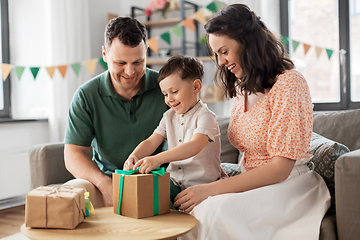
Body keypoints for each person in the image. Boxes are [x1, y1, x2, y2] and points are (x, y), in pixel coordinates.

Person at [174, 4, 331, 240]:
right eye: (216, 54)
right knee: (191, 212)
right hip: (254, 186)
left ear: (248, 42)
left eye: (224, 52)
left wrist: (210, 190)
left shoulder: (290, 84)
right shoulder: (242, 86)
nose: (220, 62)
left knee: (211, 211)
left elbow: (280, 169)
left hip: (288, 187)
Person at [63, 17, 168, 207]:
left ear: (146, 53)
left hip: (159, 180)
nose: (130, 72)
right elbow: (73, 155)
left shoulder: (166, 87)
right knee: (73, 191)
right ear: (104, 54)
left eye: (138, 62)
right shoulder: (86, 95)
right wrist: (105, 185)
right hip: (105, 181)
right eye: (120, 63)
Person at [123, 55, 224, 206]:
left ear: (196, 87)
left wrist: (158, 159)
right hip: (175, 183)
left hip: (202, 185)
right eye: (165, 94)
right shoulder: (168, 116)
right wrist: (134, 155)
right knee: (149, 199)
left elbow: (195, 145)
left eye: (174, 91)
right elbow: (152, 141)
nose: (169, 99)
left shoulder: (206, 116)